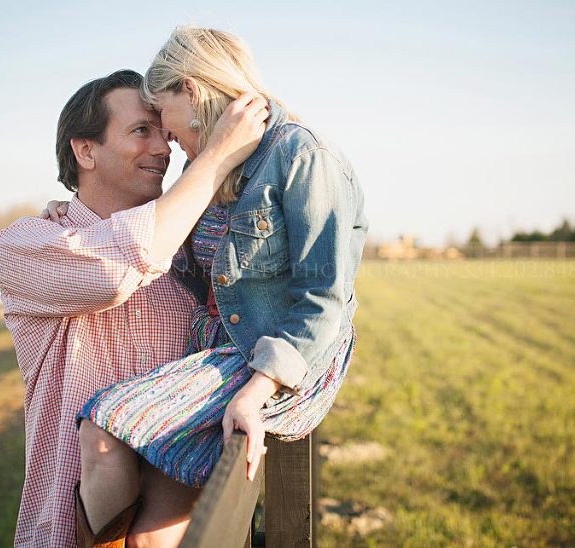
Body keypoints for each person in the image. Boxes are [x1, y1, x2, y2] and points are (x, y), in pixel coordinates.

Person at [69, 26, 368, 547]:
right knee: (150, 540)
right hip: (213, 355)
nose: (165, 138)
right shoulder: (208, 162)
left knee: (103, 425)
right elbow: (161, 241)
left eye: (161, 116)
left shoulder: (302, 155)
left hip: (272, 364)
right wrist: (76, 215)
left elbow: (325, 299)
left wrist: (260, 388)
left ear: (191, 90)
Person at [0, 68, 269, 548]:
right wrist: (218, 156)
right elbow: (113, 272)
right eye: (141, 131)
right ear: (85, 151)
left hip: (190, 527)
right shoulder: (26, 243)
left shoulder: (192, 257)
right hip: (66, 527)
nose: (164, 149)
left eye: (165, 132)